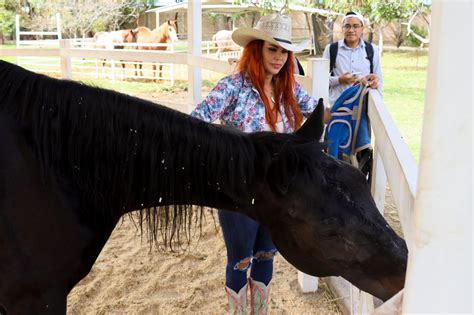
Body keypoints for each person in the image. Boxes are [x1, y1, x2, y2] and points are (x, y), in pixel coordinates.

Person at [191, 13, 323, 314]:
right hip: (240, 193)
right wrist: (222, 155)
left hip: (278, 192)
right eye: (272, 49)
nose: (279, 57)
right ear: (256, 49)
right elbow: (195, 123)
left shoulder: (288, 88)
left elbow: (318, 113)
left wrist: (361, 92)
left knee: (266, 255)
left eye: (284, 51)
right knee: (240, 260)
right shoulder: (233, 87)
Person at [322, 11, 383, 105]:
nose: (351, 30)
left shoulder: (372, 49)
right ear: (342, 29)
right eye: (347, 26)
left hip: (363, 106)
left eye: (355, 26)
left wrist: (378, 102)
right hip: (337, 106)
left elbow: (379, 79)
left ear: (362, 29)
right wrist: (339, 80)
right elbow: (321, 79)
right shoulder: (331, 49)